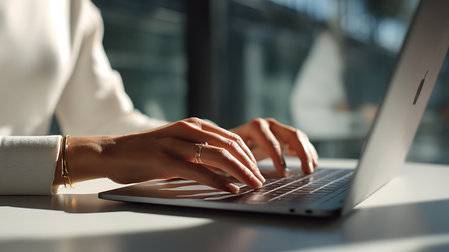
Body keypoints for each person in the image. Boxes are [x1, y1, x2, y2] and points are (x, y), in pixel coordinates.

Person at [0, 0, 318, 195]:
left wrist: (209, 144)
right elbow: (105, 147)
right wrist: (94, 154)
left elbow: (104, 118)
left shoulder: (70, 5)